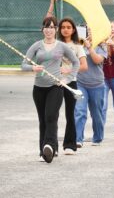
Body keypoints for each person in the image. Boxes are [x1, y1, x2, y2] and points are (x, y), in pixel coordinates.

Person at [21, 16, 80, 163]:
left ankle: (50, 147)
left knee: (51, 116)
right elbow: (23, 65)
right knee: (43, 120)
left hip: (56, 87)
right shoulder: (36, 46)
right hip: (39, 88)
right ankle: (43, 151)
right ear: (43, 29)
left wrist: (67, 78)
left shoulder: (61, 46)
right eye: (47, 27)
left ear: (56, 29)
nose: (49, 30)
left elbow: (76, 62)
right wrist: (33, 67)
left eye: (52, 27)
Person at [56, 18, 88, 155]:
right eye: (63, 27)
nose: (65, 29)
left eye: (69, 27)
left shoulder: (77, 46)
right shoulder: (55, 44)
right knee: (52, 114)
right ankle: (51, 146)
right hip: (55, 82)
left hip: (71, 83)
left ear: (73, 29)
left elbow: (84, 66)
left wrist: (68, 71)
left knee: (70, 114)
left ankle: (70, 144)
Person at [74, 28, 107, 147]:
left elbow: (98, 60)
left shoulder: (102, 46)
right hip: (80, 83)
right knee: (79, 111)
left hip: (97, 85)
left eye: (91, 29)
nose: (89, 32)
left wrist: (89, 47)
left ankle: (97, 138)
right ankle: (78, 139)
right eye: (87, 29)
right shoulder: (78, 44)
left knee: (96, 113)